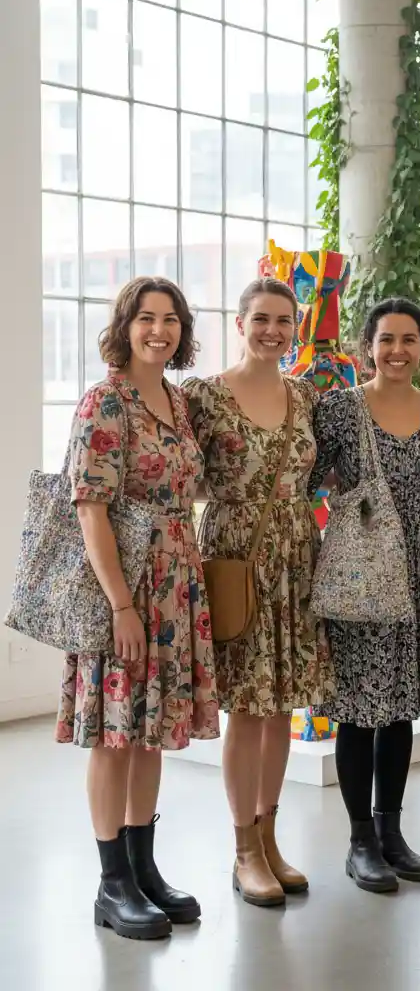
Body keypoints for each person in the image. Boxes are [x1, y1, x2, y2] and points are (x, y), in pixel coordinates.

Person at [56, 277, 219, 940]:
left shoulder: (178, 404)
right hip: (124, 587)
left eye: (171, 319)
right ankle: (111, 884)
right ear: (125, 327)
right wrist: (122, 604)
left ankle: (143, 866)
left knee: (152, 731)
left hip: (177, 585)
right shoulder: (104, 403)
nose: (160, 329)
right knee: (115, 735)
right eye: (147, 318)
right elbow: (90, 510)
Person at [183, 278, 333, 908]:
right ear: (240, 322)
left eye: (284, 320)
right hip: (236, 559)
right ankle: (243, 847)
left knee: (282, 709)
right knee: (246, 708)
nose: (273, 330)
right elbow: (178, 474)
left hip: (298, 555)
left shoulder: (307, 397)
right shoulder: (206, 396)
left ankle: (270, 838)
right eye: (262, 318)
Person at [308, 298, 420, 894]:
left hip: (419, 562)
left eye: (410, 339)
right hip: (362, 566)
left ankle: (392, 833)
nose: (398, 350)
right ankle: (359, 841)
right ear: (367, 345)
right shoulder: (342, 409)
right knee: (356, 708)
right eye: (386, 339)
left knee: (399, 708)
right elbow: (311, 481)